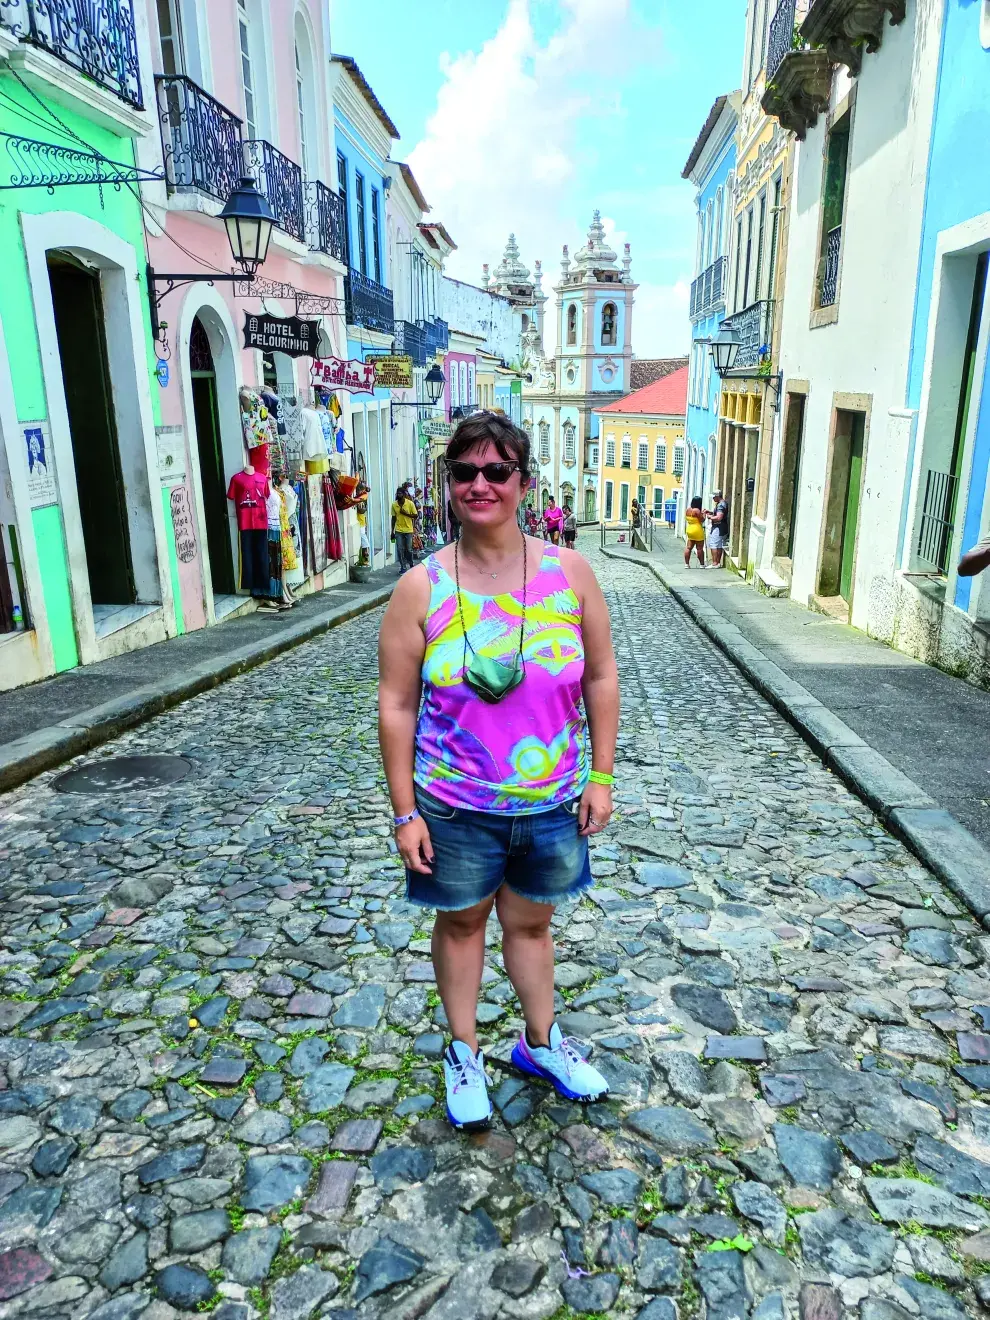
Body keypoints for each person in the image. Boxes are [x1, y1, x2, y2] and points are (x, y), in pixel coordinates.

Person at [378, 411, 619, 1130]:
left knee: (532, 925)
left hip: (550, 800)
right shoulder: (418, 590)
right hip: (453, 805)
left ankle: (539, 1045)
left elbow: (601, 677)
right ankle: (463, 1052)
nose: (479, 485)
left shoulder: (569, 572)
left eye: (496, 472)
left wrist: (601, 777)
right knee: (460, 925)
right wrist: (405, 812)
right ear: (447, 482)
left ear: (523, 483)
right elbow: (396, 705)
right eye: (464, 472)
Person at [391, 485, 418, 573]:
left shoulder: (410, 503)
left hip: (408, 530)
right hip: (398, 530)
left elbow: (415, 515)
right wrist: (392, 531)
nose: (399, 495)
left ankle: (410, 563)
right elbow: (393, 518)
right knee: (399, 549)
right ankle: (403, 566)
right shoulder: (394, 505)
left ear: (403, 494)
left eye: (400, 493)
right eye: (397, 493)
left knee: (409, 549)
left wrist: (406, 514)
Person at [707, 489, 729, 568]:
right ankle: (718, 563)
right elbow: (719, 513)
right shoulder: (723, 503)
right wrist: (710, 512)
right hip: (722, 527)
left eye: (714, 497)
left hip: (718, 527)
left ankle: (714, 563)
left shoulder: (720, 505)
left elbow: (719, 517)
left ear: (717, 496)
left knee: (713, 544)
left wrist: (710, 517)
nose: (713, 499)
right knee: (719, 545)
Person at [684, 495, 706, 568]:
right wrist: (704, 514)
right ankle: (702, 564)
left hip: (689, 529)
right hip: (697, 530)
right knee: (699, 548)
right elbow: (702, 520)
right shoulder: (697, 510)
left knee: (688, 547)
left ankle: (687, 564)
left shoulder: (688, 510)